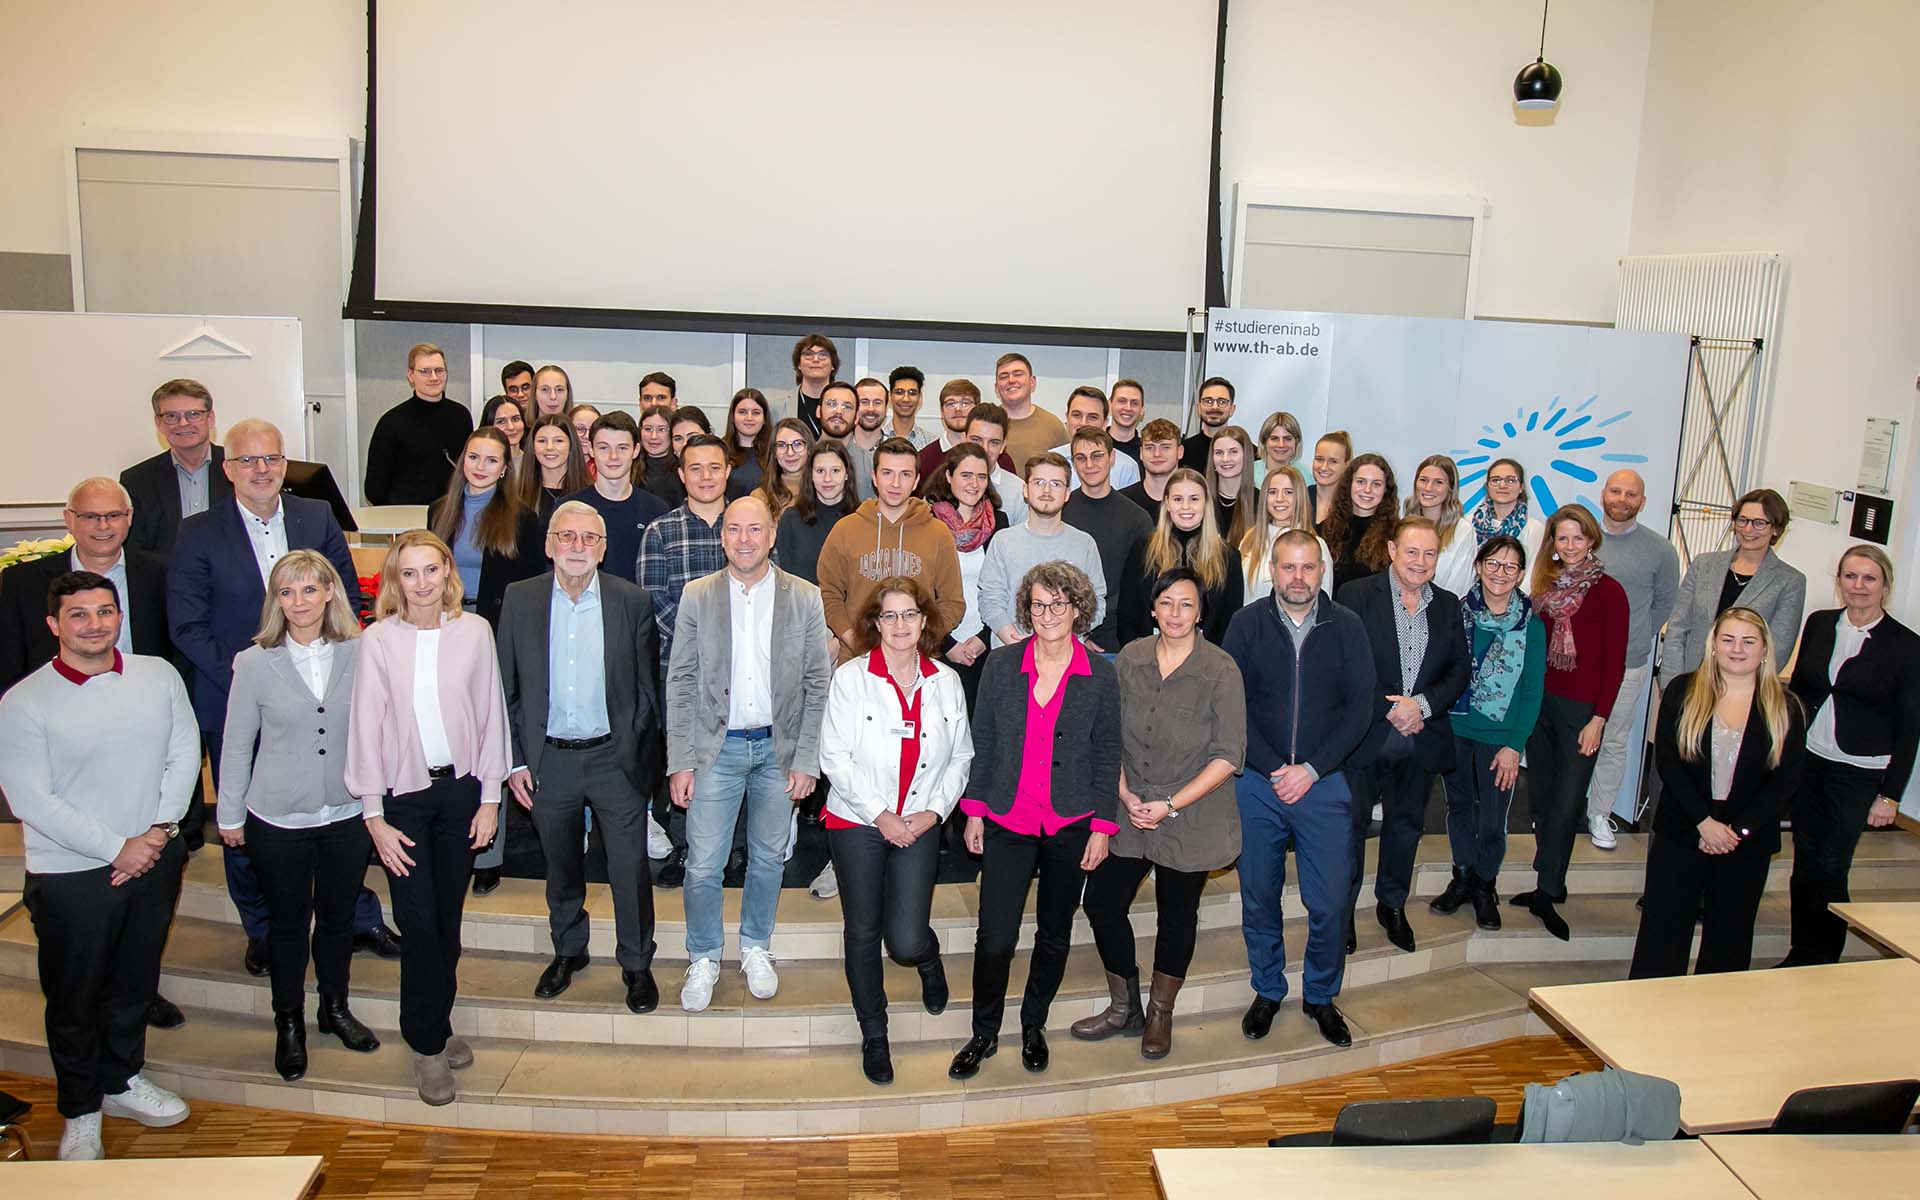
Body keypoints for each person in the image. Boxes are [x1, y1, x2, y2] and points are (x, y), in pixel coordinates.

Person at [169, 419, 394, 974]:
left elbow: (346, 598)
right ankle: (265, 928)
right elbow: (187, 626)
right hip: (235, 694)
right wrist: (258, 678)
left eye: (271, 458)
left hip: (324, 691)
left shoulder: (314, 516)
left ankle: (356, 917)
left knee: (342, 811)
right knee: (245, 819)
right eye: (248, 461)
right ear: (228, 469)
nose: (261, 470)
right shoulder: (197, 532)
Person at [0, 570, 198, 1160]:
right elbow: (31, 798)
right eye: (79, 615)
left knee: (134, 984)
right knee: (75, 998)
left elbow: (184, 751)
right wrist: (119, 848)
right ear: (54, 625)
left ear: (120, 615)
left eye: (105, 611)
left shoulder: (157, 675)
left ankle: (121, 1080)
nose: (95, 624)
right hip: (72, 874)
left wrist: (158, 833)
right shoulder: (24, 701)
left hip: (153, 855)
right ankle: (81, 1110)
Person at [346, 531, 509, 1107]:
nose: (421, 583)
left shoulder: (474, 632)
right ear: (396, 579)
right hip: (402, 802)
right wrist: (373, 816)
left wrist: (490, 798)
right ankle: (426, 1044)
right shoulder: (378, 640)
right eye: (409, 573)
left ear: (447, 574)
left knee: (448, 920)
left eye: (430, 571)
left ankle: (436, 1023)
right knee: (417, 925)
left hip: (461, 795)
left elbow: (491, 714)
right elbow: (365, 728)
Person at [949, 562, 1120, 1081]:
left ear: (1078, 610)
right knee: (995, 936)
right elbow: (985, 741)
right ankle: (983, 1032)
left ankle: (1032, 1024)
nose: (1048, 614)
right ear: (1027, 609)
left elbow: (1109, 750)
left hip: (1072, 823)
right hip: (1008, 817)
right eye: (1040, 604)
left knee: (1053, 933)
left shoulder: (1100, 674)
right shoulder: (1001, 666)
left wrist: (1103, 827)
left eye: (1060, 604)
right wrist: (974, 811)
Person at [216, 552, 380, 1081]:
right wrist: (229, 814)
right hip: (277, 817)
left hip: (346, 811)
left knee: (337, 921)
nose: (299, 603)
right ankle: (288, 1021)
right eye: (287, 593)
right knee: (287, 926)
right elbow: (237, 744)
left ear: (330, 592)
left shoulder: (361, 651)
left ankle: (334, 1008)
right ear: (275, 600)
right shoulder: (255, 662)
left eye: (309, 590)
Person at [665, 496, 832, 1011]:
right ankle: (705, 955)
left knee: (767, 859)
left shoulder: (804, 597)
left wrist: (807, 760)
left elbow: (817, 683)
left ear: (771, 536)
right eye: (734, 529)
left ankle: (756, 946)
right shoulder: (698, 595)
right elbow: (682, 680)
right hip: (717, 749)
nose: (744, 539)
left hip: (778, 751)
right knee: (703, 864)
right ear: (722, 537)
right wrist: (680, 759)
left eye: (754, 530)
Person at [497, 501, 662, 1013]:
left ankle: (636, 962)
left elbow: (647, 689)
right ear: (548, 545)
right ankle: (569, 949)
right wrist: (517, 761)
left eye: (588, 539)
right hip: (549, 762)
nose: (577, 548)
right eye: (566, 537)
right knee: (561, 863)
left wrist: (639, 755)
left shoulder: (630, 601)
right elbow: (507, 688)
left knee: (630, 867)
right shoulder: (520, 599)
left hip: (615, 759)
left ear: (603, 548)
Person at [1074, 568, 1245, 1060]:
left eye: (1186, 604)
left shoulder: (1221, 669)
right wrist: (1126, 797)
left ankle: (1159, 1012)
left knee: (1177, 914)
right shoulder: (1129, 659)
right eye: (1166, 603)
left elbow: (1228, 755)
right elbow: (1107, 737)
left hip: (1192, 812)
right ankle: (1123, 1003)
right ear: (1153, 609)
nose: (1175, 613)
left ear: (1200, 612)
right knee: (1102, 903)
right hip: (1130, 804)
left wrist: (1170, 804)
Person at [817, 576, 973, 1085]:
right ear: (875, 624)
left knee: (903, 938)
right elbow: (834, 757)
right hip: (858, 820)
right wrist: (881, 814)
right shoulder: (851, 678)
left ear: (925, 621)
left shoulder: (945, 681)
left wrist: (933, 813)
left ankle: (926, 959)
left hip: (921, 819)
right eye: (890, 616)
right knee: (863, 930)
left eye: (910, 614)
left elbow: (962, 756)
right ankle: (874, 1033)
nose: (901, 625)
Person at [1222, 531, 1374, 1049]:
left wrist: (1310, 769)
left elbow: (1360, 709)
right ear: (1272, 568)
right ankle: (1267, 988)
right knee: (1259, 896)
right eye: (1289, 567)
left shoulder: (1347, 627)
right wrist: (1272, 768)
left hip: (1325, 782)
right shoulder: (1245, 625)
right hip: (1258, 785)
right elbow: (1231, 705)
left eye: (1308, 568)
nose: (1298, 578)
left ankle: (1320, 995)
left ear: (1322, 571)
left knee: (1330, 901)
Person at [1630, 607, 1806, 979]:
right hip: (1684, 829)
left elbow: (1785, 781)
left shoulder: (1785, 707)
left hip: (1746, 840)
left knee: (1730, 936)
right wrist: (1703, 823)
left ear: (1763, 650)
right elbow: (1668, 761)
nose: (1737, 649)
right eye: (1728, 639)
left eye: (1748, 641)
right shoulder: (1683, 690)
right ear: (1713, 645)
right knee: (1663, 932)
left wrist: (1736, 831)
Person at [1780, 545, 1920, 967]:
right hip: (1811, 760)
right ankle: (1801, 950)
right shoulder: (1821, 624)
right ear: (1839, 580)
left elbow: (1910, 727)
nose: (1858, 586)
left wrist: (1890, 796)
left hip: (1860, 770)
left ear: (1885, 586)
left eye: (1869, 578)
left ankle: (1825, 956)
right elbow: (1803, 692)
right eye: (1850, 577)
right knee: (1803, 863)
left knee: (1831, 865)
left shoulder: (1906, 645)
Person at [1337, 517, 1470, 955]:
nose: (1420, 561)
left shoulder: (1449, 605)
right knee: (1351, 828)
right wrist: (1392, 708)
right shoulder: (1356, 595)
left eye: (1429, 554)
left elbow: (1458, 672)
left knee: (1406, 826)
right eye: (1412, 551)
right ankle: (1342, 913)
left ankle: (1391, 905)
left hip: (1422, 736)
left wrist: (1422, 706)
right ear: (1392, 550)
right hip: (1365, 736)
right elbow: (1347, 667)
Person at [1512, 505, 1628, 941]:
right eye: (1563, 538)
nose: (1571, 545)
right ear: (1553, 544)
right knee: (1540, 797)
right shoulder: (1541, 588)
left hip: (1582, 713)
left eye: (1578, 538)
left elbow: (1614, 663)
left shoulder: (1608, 591)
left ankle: (1550, 888)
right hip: (1541, 706)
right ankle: (1547, 876)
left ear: (1592, 539)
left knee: (1566, 802)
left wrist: (1599, 718)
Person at [1431, 536, 1546, 932]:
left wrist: (1515, 744)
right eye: (1493, 564)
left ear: (1519, 575)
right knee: (1458, 807)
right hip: (1457, 727)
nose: (1500, 573)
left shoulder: (1531, 624)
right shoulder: (1454, 614)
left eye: (1510, 567)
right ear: (1479, 567)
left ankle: (1485, 884)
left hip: (1500, 737)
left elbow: (1532, 691)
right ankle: (1462, 876)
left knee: (1494, 819)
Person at [636, 434, 732, 884]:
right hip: (685, 667)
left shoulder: (749, 523)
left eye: (714, 467)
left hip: (746, 666)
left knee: (741, 756)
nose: (706, 476)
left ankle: (739, 848)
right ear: (681, 474)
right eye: (696, 468)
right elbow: (656, 601)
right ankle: (686, 846)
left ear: (728, 470)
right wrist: (707, 644)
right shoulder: (662, 530)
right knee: (687, 759)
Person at [1, 479, 172, 697]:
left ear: (129, 517)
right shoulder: (23, 582)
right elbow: (9, 665)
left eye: (113, 515)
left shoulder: (164, 574)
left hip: (146, 701)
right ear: (69, 519)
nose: (103, 526)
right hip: (54, 708)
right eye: (90, 517)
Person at [1585, 469, 1680, 850]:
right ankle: (1557, 811)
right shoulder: (1582, 541)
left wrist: (1633, 638)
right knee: (1567, 739)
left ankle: (1599, 813)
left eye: (1631, 494)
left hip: (1627, 665)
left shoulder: (1661, 551)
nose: (1622, 499)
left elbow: (1663, 606)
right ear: (1603, 493)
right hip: (1576, 667)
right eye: (1616, 491)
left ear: (1642, 501)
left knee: (1614, 739)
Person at [816, 438, 966, 664]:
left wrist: (925, 639)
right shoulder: (845, 529)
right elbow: (828, 594)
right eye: (887, 473)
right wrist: (854, 640)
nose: (895, 483)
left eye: (905, 474)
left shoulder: (938, 533)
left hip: (917, 660)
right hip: (857, 661)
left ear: (916, 481)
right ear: (874, 477)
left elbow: (953, 602)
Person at [1660, 487, 1805, 679]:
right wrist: (1672, 682)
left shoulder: (1789, 581)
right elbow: (1677, 628)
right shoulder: (1704, 565)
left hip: (1742, 690)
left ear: (1776, 529)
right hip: (1690, 680)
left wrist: (1741, 691)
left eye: (1759, 523)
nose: (1748, 529)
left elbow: (1778, 649)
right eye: (1742, 520)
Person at [977, 453, 1107, 650]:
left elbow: (1096, 602)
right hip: (1011, 656)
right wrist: (1017, 644)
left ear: (1067, 493)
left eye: (1056, 484)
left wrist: (1061, 640)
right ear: (1025, 490)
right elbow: (990, 600)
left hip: (1066, 657)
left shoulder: (1084, 543)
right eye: (1038, 482)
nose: (1046, 490)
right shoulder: (1003, 541)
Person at [427, 427, 547, 631]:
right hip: (443, 618)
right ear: (463, 460)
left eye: (491, 460)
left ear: (504, 468)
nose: (480, 467)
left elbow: (533, 587)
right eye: (473, 457)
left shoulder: (523, 519)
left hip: (497, 624)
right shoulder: (438, 510)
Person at [1117, 469, 1244, 646]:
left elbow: (1231, 622)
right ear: (1167, 503)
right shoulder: (1143, 549)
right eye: (1178, 499)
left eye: (1194, 499)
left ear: (1206, 503)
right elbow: (1127, 614)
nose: (1186, 507)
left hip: (1207, 663)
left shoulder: (1228, 556)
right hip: (1148, 659)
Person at [924, 442, 1008, 709]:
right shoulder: (928, 523)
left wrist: (983, 639)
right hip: (939, 645)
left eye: (981, 476)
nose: (974, 483)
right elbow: (922, 592)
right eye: (966, 475)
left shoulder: (1000, 523)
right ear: (949, 476)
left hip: (987, 644)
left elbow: (1005, 587)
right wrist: (947, 643)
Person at [1063, 427, 1153, 650]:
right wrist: (1076, 633)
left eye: (1097, 456)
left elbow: (1140, 585)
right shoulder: (1061, 512)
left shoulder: (1137, 518)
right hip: (1064, 632)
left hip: (1115, 638)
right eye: (1081, 458)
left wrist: (1092, 629)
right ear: (1073, 463)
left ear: (1112, 458)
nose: (1089, 465)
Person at [121, 378, 231, 556]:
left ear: (210, 419)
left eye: (194, 414)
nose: (183, 423)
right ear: (159, 423)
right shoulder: (137, 480)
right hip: (164, 580)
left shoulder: (240, 468)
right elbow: (136, 553)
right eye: (171, 416)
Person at [564, 412, 670, 586]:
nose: (613, 457)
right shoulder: (569, 509)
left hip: (639, 610)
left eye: (622, 448)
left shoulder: (657, 510)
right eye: (603, 448)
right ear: (591, 450)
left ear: (636, 450)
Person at [364, 343, 473, 505]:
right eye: (425, 371)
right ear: (410, 375)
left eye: (439, 370)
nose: (434, 377)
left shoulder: (461, 415)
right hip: (405, 516)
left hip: (450, 513)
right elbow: (375, 488)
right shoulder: (391, 422)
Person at [773, 439, 859, 586]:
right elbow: (783, 579)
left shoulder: (862, 519)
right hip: (803, 607)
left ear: (847, 474)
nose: (827, 479)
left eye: (835, 471)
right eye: (820, 471)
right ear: (810, 475)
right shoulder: (791, 519)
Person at [1240, 465, 1331, 602]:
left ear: (1300, 497)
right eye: (1272, 492)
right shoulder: (1249, 539)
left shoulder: (1316, 545)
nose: (1279, 499)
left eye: (1288, 492)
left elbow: (1324, 600)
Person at [915, 379, 1018, 486]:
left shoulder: (1000, 458)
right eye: (951, 404)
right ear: (941, 411)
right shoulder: (924, 458)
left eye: (965, 403)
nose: (958, 409)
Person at [1322, 453, 1398, 594]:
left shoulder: (1397, 534)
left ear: (1386, 490)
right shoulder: (1324, 530)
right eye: (1361, 482)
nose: (1367, 490)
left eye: (1376, 484)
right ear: (1349, 484)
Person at [1405, 455, 1476, 596]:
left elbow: (1459, 588)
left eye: (1438, 482)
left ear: (1450, 488)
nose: (1429, 488)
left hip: (1442, 611)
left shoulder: (1462, 531)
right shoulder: (1404, 525)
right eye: (1423, 480)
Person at [1049, 387, 1140, 491]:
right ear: (1067, 418)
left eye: (1092, 417)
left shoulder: (1127, 467)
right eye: (1076, 415)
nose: (1083, 423)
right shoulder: (1050, 461)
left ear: (1105, 423)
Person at [995, 353, 1068, 472]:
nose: (1011, 380)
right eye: (1004, 376)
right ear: (996, 387)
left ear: (1032, 382)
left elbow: (1066, 473)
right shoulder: (987, 424)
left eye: (1018, 374)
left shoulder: (1053, 426)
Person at [514, 412, 591, 522]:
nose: (549, 447)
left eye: (558, 441)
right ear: (533, 447)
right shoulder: (516, 494)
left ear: (571, 445)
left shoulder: (589, 494)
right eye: (542, 441)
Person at [963, 402, 1028, 523]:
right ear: (964, 439)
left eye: (994, 442)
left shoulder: (1019, 492)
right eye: (976, 440)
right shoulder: (942, 485)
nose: (985, 449)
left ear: (1003, 446)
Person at [1466, 457, 1543, 552]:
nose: (1502, 485)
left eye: (1510, 480)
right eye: (1495, 480)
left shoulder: (1533, 529)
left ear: (1521, 487)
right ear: (1487, 486)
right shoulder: (1469, 524)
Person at [1205, 425, 1258, 549]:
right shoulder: (1199, 499)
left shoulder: (1260, 502)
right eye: (1219, 453)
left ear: (1246, 456)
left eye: (1233, 452)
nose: (1225, 459)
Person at [1120, 418, 1182, 522]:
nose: (1157, 454)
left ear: (1180, 452)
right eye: (1149, 447)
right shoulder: (1123, 502)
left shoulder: (1193, 502)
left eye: (1165, 447)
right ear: (1141, 452)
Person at [817, 382, 870, 498]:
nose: (839, 412)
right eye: (831, 404)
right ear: (818, 411)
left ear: (856, 418)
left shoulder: (870, 464)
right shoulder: (803, 458)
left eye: (847, 406)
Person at [759, 418, 814, 523]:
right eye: (782, 445)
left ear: (809, 449)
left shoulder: (824, 491)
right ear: (774, 452)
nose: (790, 453)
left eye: (797, 444)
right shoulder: (760, 497)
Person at [723, 387, 773, 500]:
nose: (749, 418)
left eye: (756, 413)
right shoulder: (719, 451)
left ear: (765, 418)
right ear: (733, 417)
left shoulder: (775, 452)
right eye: (742, 412)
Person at [790, 333, 840, 437]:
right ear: (798, 364)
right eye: (808, 355)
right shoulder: (778, 406)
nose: (816, 360)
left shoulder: (846, 404)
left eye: (823, 355)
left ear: (833, 365)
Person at [1182, 376, 1236, 470]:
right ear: (1198, 408)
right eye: (1208, 401)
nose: (1214, 407)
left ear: (1232, 409)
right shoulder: (1183, 451)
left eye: (1222, 402)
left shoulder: (1247, 451)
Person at [848, 378, 892, 491]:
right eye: (864, 402)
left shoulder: (896, 451)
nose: (871, 409)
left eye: (878, 403)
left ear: (886, 408)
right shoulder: (839, 449)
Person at [637, 405, 685, 509]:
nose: (653, 436)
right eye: (648, 429)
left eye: (662, 430)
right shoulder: (630, 467)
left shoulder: (682, 470)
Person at [1307, 431, 1352, 525]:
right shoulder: (1300, 497)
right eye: (1319, 459)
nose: (1324, 467)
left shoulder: (1353, 504)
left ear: (1346, 465)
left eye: (1333, 461)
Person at [1253, 410, 1303, 485]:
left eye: (1287, 438)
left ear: (1297, 442)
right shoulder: (1248, 473)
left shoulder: (1307, 476)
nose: (1281, 444)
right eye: (1274, 438)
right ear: (1264, 441)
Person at [479, 394, 528, 469]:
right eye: (501, 421)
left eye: (515, 419)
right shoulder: (479, 465)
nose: (511, 427)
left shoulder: (535, 462)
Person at [1107, 378, 1148, 466]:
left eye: (1134, 403)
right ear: (1110, 405)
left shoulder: (1148, 451)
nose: (1128, 408)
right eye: (1122, 401)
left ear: (1142, 410)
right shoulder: (1096, 445)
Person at [886, 365, 931, 443]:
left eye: (912, 393)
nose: (906, 399)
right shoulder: (876, 440)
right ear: (890, 396)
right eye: (899, 392)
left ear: (920, 398)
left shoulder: (930, 443)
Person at [570, 403, 603, 467]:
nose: (587, 436)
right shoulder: (559, 465)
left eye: (592, 429)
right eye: (580, 429)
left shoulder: (608, 466)